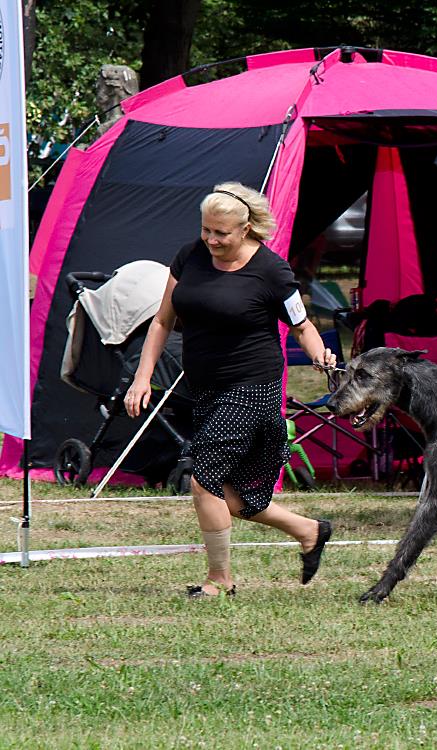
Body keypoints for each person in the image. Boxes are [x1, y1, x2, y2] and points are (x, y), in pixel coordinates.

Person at [125, 182, 338, 598]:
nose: (212, 240)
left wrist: (319, 356)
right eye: (207, 230)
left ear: (246, 230)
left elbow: (302, 324)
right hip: (206, 387)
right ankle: (309, 530)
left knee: (203, 480)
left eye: (221, 233)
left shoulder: (272, 270)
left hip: (252, 387)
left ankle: (219, 580)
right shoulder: (189, 257)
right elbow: (162, 322)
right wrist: (141, 376)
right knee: (235, 499)